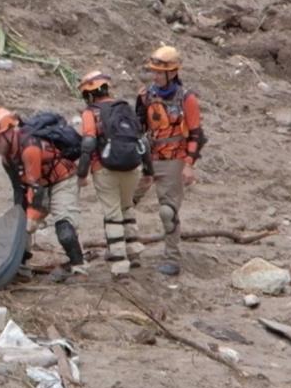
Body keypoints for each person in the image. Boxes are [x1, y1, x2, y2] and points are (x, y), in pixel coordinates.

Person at [0, 108, 87, 279]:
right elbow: (19, 189)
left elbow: (37, 191)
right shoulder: (7, 159)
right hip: (39, 185)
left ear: (10, 133)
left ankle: (78, 265)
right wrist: (20, 216)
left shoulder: (29, 148)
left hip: (62, 180)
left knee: (64, 229)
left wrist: (32, 217)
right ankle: (20, 266)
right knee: (20, 225)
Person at [134, 46, 206, 276]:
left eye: (159, 72)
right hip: (148, 156)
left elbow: (196, 133)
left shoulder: (187, 99)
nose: (154, 76)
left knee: (167, 211)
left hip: (174, 159)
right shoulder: (145, 96)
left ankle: (172, 257)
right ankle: (122, 247)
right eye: (153, 71)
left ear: (172, 73)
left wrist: (188, 164)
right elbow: (138, 127)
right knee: (125, 203)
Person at [76, 70, 153, 278]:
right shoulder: (124, 108)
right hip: (132, 167)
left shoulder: (90, 113)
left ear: (89, 94)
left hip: (104, 168)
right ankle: (134, 251)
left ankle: (119, 264)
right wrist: (148, 170)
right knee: (127, 207)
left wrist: (82, 173)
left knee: (112, 215)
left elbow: (89, 143)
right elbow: (142, 140)